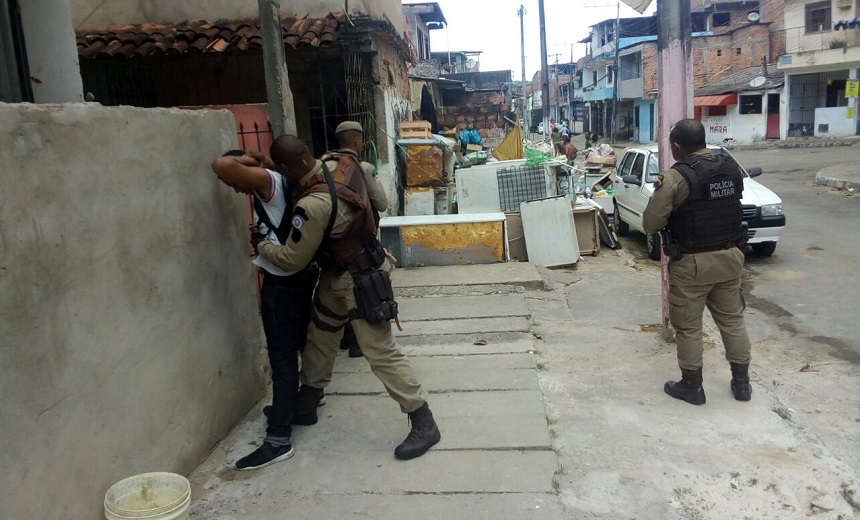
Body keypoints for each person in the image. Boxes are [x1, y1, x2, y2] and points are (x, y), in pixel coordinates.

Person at [254, 135, 441, 460]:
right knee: (320, 335)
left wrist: (260, 245)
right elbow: (378, 201)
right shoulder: (341, 162)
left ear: (285, 168)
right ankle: (308, 402)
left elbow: (291, 259)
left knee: (380, 351)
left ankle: (424, 420)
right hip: (344, 273)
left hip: (359, 282)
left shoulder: (312, 205)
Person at [211, 150, 319, 470]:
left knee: (282, 361)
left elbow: (221, 164)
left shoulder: (267, 182)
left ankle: (278, 440)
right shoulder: (279, 182)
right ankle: (304, 406)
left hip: (281, 284)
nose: (230, 186)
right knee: (301, 345)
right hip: (299, 278)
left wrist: (248, 162)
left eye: (229, 182)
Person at [642, 119, 752, 406]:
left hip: (692, 264)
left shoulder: (677, 178)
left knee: (689, 326)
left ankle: (692, 386)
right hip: (731, 257)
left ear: (676, 146)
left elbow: (651, 223)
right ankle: (742, 384)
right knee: (732, 320)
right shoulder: (728, 167)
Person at [324, 121, 389, 358]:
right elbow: (381, 203)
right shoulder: (364, 168)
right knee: (362, 289)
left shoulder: (322, 165)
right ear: (357, 141)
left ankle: (338, 338)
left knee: (332, 290)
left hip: (329, 244)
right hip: (359, 242)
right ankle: (356, 342)